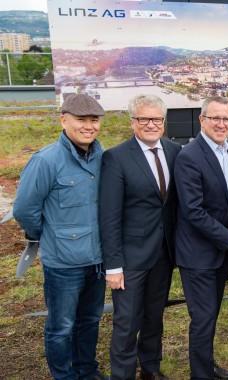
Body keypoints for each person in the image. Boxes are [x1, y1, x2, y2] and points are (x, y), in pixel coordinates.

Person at [13, 94, 108, 380]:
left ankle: (86, 370)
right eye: (81, 120)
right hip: (64, 264)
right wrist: (48, 235)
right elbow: (25, 209)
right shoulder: (46, 160)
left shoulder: (104, 158)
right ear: (64, 120)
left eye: (94, 120)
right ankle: (64, 376)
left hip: (98, 260)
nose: (89, 126)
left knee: (90, 320)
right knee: (61, 326)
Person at [174, 96, 228, 380]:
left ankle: (206, 365)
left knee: (211, 315)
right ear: (202, 120)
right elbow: (193, 213)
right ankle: (201, 374)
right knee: (203, 318)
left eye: (227, 119)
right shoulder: (189, 157)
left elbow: (226, 199)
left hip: (220, 251)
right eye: (215, 118)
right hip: (197, 254)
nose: (222, 124)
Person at [99, 94, 181, 380]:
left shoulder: (174, 151)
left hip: (163, 254)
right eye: (143, 119)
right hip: (130, 258)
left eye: (156, 119)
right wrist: (113, 266)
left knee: (154, 317)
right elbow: (109, 217)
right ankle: (121, 375)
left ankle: (150, 368)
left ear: (163, 121)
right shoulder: (116, 157)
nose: (150, 124)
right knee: (126, 323)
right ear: (132, 122)